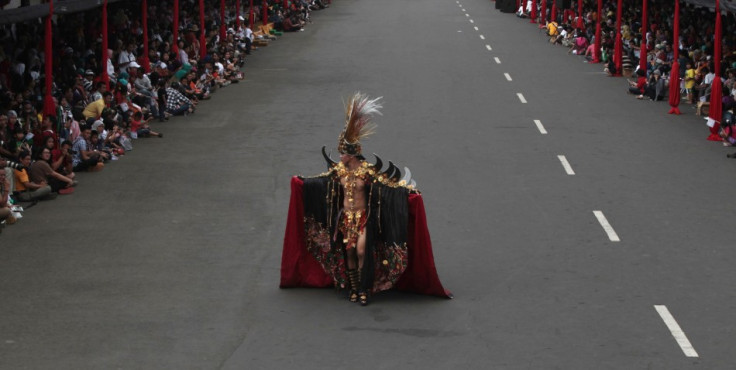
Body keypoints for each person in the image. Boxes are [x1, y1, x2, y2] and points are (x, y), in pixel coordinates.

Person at [280, 93, 452, 305]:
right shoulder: (339, 172)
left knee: (362, 251)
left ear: (352, 154)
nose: (340, 155)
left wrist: (408, 194)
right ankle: (354, 288)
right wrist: (302, 183)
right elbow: (322, 182)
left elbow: (387, 186)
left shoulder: (367, 172)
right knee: (350, 253)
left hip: (363, 218)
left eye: (343, 152)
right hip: (345, 219)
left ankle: (364, 288)